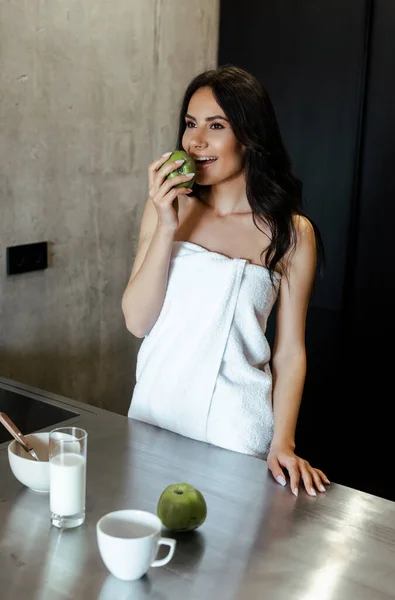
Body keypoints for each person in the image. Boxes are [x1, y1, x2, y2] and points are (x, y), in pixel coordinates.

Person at [122, 65, 330, 497]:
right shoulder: (168, 210)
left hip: (235, 430)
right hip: (153, 416)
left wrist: (284, 442)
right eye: (190, 124)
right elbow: (137, 322)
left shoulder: (292, 234)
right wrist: (165, 224)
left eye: (216, 126)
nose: (196, 141)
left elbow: (290, 351)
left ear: (249, 136)